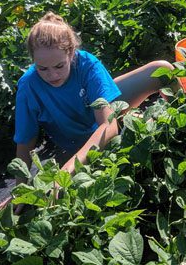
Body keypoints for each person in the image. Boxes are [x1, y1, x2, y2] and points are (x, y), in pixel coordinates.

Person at [12, 12, 173, 181]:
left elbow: (108, 126)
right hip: (78, 142)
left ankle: (182, 123)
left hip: (107, 119)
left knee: (163, 70)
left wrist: (68, 169)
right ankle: (137, 120)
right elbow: (25, 141)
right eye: (42, 69)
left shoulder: (87, 64)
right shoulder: (28, 85)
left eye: (59, 66)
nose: (52, 75)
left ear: (71, 53)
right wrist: (20, 187)